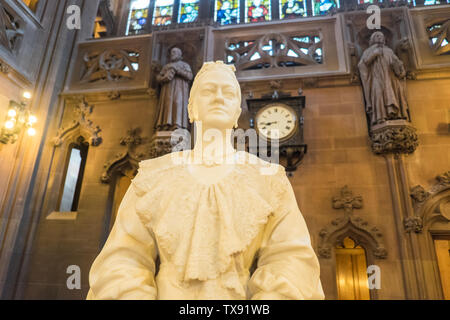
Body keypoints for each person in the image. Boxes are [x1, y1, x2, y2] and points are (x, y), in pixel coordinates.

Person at [87, 61, 325, 300]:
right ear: (192, 109)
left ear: (236, 113)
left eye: (228, 92)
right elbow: (124, 258)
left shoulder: (269, 179)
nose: (219, 97)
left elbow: (290, 258)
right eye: (209, 90)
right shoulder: (153, 176)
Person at [358, 32, 410, 125]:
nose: (380, 38)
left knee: (393, 94)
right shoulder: (368, 51)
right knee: (378, 94)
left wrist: (399, 68)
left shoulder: (389, 51)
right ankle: (380, 117)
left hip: (390, 77)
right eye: (377, 36)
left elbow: (397, 62)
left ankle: (396, 114)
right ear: (372, 38)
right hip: (377, 77)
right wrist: (374, 54)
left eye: (382, 36)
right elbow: (363, 64)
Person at [154, 47, 193, 131]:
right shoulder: (167, 66)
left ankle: (178, 124)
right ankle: (166, 124)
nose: (172, 54)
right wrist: (165, 77)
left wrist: (177, 70)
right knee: (168, 105)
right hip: (167, 90)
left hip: (180, 90)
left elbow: (189, 76)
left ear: (179, 54)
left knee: (177, 103)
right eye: (171, 53)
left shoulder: (184, 65)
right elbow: (158, 77)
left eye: (174, 52)